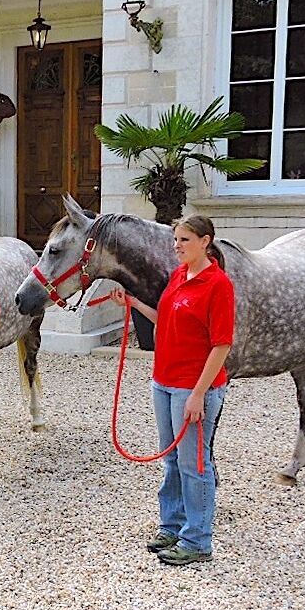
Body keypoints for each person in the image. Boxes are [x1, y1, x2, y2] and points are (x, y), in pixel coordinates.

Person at [111, 214, 234, 566]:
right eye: (176, 240)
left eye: (184, 240)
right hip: (164, 381)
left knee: (194, 463)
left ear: (205, 242)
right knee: (171, 459)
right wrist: (133, 305)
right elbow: (167, 317)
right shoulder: (179, 276)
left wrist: (198, 393)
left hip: (192, 387)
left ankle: (197, 539)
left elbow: (221, 345)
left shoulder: (217, 285)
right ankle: (173, 524)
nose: (176, 246)